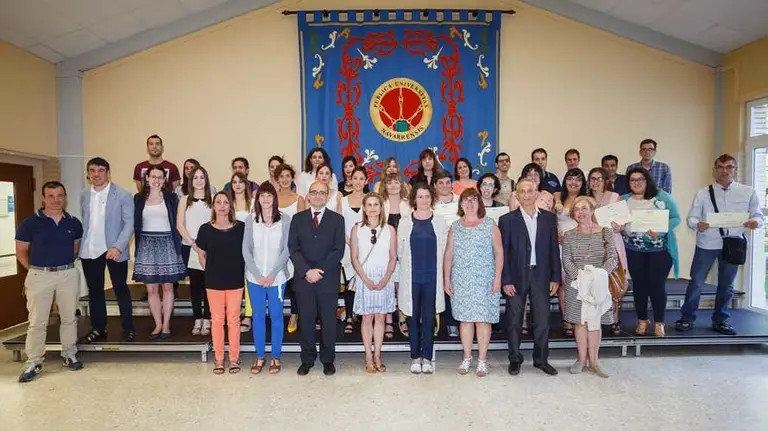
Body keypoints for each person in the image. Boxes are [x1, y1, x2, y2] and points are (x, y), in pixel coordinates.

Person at [676, 154, 763, 335]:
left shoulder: (748, 192)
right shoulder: (702, 193)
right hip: (707, 243)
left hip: (734, 243)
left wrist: (755, 222)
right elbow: (692, 217)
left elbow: (758, 215)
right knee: (697, 282)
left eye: (729, 167)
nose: (725, 171)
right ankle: (687, 318)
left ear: (735, 169)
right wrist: (696, 224)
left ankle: (720, 320)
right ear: (715, 169)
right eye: (721, 167)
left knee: (727, 285)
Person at [15, 181, 84, 383]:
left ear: (65, 197)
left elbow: (75, 249)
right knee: (38, 321)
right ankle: (34, 361)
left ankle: (69, 354)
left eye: (60, 195)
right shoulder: (29, 223)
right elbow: (21, 252)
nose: (56, 200)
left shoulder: (73, 223)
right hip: (39, 275)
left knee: (69, 317)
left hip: (67, 274)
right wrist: (37, 271)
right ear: (43, 198)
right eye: (51, 196)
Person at [499, 179, 561, 376]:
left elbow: (553, 250)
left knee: (542, 320)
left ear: (537, 194)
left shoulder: (549, 219)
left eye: (530, 191)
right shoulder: (507, 220)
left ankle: (541, 359)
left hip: (541, 274)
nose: (526, 195)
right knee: (514, 320)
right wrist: (505, 280)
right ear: (516, 195)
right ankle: (515, 358)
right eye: (522, 191)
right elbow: (504, 253)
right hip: (516, 276)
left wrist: (555, 277)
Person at [444, 189, 503, 377]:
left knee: (483, 320)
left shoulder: (489, 224)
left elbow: (499, 252)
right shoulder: (455, 227)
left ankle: (483, 360)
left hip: (485, 279)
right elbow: (448, 255)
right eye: (466, 200)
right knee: (465, 320)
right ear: (460, 204)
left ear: (479, 203)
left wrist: (498, 277)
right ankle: (467, 357)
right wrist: (446, 278)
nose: (469, 204)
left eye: (473, 200)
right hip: (461, 279)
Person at [289, 181, 345, 376]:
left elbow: (339, 250)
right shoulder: (297, 219)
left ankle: (328, 360)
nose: (318, 195)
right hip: (304, 279)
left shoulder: (337, 220)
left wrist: (319, 270)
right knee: (306, 320)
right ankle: (307, 359)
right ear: (309, 196)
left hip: (327, 278)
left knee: (329, 321)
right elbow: (293, 249)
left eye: (322, 192)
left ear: (328, 195)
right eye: (314, 192)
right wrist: (307, 271)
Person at [79, 158, 135, 344]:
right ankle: (98, 328)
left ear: (108, 173)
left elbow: (129, 224)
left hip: (114, 249)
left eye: (101, 170)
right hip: (90, 249)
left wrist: (118, 246)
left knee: (120, 289)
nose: (96, 174)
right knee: (95, 291)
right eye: (92, 170)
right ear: (88, 174)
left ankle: (128, 328)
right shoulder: (85, 194)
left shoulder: (122, 195)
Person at [621, 167, 680, 337]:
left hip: (660, 251)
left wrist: (661, 230)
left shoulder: (661, 197)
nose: (637, 183)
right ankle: (642, 320)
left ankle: (659, 322)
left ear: (647, 181)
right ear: (628, 182)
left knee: (657, 286)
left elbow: (676, 218)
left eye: (640, 179)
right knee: (638, 286)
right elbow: (618, 222)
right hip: (634, 251)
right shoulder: (624, 200)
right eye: (633, 180)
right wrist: (619, 227)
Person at [562, 196, 617, 377]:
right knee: (579, 322)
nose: (581, 212)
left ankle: (594, 361)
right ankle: (581, 359)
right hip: (576, 285)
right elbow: (567, 260)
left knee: (594, 323)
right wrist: (581, 278)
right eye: (576, 209)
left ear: (592, 210)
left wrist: (598, 276)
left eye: (584, 208)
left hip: (598, 285)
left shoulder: (605, 232)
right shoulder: (569, 235)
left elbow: (612, 259)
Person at [397, 183, 449, 374]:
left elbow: (444, 250)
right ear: (414, 199)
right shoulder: (405, 222)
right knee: (412, 317)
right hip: (412, 277)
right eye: (420, 197)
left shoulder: (440, 221)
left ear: (432, 198)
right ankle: (415, 356)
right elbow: (399, 252)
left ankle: (427, 356)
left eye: (427, 196)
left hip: (432, 278)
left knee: (429, 318)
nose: (424, 200)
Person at [243, 182, 292, 375]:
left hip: (277, 278)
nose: (265, 199)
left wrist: (272, 275)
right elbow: (245, 250)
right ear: (258, 199)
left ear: (274, 198)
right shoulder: (250, 220)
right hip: (254, 278)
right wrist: (257, 274)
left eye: (269, 195)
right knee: (258, 317)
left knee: (277, 317)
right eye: (262, 196)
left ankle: (276, 357)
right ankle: (260, 356)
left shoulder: (285, 220)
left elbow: (287, 249)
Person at [133, 165, 187, 340]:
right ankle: (157, 324)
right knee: (151, 289)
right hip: (146, 244)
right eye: (153, 176)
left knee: (168, 286)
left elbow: (179, 221)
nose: (156, 180)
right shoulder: (139, 198)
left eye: (160, 177)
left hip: (167, 243)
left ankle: (166, 324)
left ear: (164, 180)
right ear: (147, 178)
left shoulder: (171, 198)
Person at [195, 191, 246, 374]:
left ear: (230, 206)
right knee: (217, 320)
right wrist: (204, 262)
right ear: (214, 206)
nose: (222, 206)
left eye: (226, 202)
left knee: (233, 320)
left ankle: (234, 359)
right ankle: (218, 359)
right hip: (213, 280)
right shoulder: (205, 229)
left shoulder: (241, 227)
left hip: (235, 279)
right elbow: (200, 250)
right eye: (218, 202)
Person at [350, 193, 397, 373]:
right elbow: (354, 257)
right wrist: (365, 278)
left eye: (375, 204)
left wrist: (386, 278)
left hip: (384, 277)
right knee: (367, 317)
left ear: (381, 207)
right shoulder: (357, 229)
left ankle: (377, 354)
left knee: (380, 317)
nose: (372, 208)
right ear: (363, 208)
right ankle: (368, 356)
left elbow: (393, 257)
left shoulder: (390, 229)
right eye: (368, 204)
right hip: (365, 277)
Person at [587, 167, 629, 335]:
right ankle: (594, 320)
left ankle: (615, 319)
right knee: (594, 283)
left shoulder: (614, 197)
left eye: (599, 179)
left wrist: (621, 226)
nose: (596, 182)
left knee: (614, 281)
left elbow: (624, 223)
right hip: (592, 245)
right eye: (592, 179)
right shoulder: (586, 200)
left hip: (613, 242)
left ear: (606, 181)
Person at [176, 166, 213, 336]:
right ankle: (197, 317)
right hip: (189, 246)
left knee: (209, 285)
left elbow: (215, 223)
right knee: (195, 285)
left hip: (210, 248)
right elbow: (179, 224)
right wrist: (193, 243)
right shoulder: (184, 199)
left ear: (206, 180)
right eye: (195, 177)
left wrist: (205, 245)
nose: (198, 180)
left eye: (201, 177)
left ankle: (208, 318)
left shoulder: (213, 199)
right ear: (191, 181)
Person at [554, 168, 587, 336]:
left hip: (581, 246)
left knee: (580, 284)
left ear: (582, 183)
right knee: (563, 284)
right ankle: (567, 320)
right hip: (561, 247)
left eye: (578, 180)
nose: (573, 182)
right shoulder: (558, 198)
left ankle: (579, 319)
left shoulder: (587, 200)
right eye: (570, 179)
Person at [274, 163, 305, 334]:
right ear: (276, 179)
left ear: (292, 178)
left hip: (293, 246)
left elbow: (301, 225)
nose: (285, 179)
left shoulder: (299, 199)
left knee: (294, 283)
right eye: (281, 176)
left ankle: (294, 314)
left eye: (288, 176)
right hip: (275, 246)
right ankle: (276, 315)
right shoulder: (271, 198)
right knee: (278, 282)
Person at [381, 172, 411, 338]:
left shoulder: (408, 205)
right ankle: (388, 321)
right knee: (387, 287)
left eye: (396, 182)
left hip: (404, 253)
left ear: (402, 185)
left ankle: (401, 316)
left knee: (401, 287)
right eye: (389, 183)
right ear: (385, 186)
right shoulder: (381, 204)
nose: (393, 186)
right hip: (385, 253)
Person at [340, 166, 367, 334]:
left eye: (361, 179)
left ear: (366, 181)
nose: (358, 182)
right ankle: (349, 316)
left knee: (363, 282)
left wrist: (361, 245)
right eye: (355, 178)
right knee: (350, 284)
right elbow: (338, 225)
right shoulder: (342, 201)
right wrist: (350, 242)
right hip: (347, 247)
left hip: (367, 249)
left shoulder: (371, 199)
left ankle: (364, 315)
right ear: (350, 180)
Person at [229, 172, 254, 333]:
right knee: (234, 282)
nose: (238, 185)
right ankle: (234, 313)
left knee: (249, 282)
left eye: (241, 182)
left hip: (249, 246)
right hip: (231, 246)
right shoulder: (228, 204)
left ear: (246, 184)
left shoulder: (252, 203)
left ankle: (248, 315)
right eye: (234, 182)